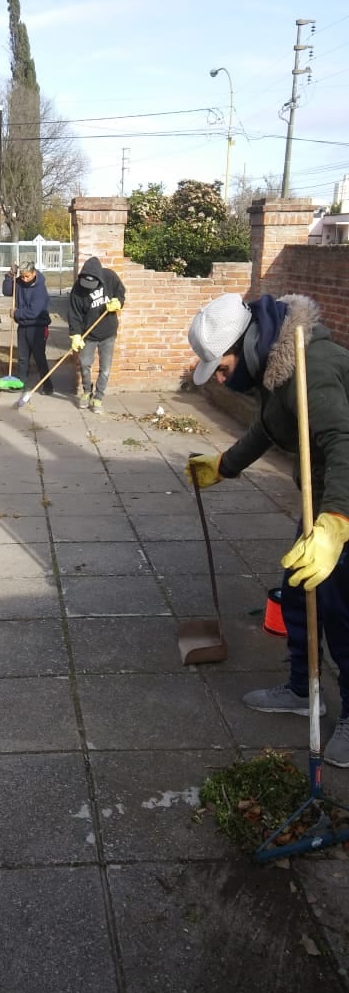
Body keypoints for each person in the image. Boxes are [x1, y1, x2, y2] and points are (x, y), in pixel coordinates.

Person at [186, 290, 349, 767]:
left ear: (249, 345)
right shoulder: (279, 372)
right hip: (322, 496)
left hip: (343, 496)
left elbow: (343, 443)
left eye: (221, 366)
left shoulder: (312, 367)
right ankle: (303, 691)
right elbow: (269, 426)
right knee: (298, 590)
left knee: (340, 608)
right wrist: (224, 465)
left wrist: (336, 523)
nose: (219, 379)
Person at [67, 256, 125, 413]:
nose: (89, 287)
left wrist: (118, 301)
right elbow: (74, 315)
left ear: (99, 277)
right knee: (85, 364)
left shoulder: (109, 277)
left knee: (105, 369)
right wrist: (76, 335)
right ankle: (87, 392)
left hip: (108, 333)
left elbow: (121, 290)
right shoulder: (77, 290)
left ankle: (98, 397)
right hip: (89, 335)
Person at [1, 261, 52, 393]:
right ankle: (21, 383)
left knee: (39, 357)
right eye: (22, 276)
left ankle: (47, 385)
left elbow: (34, 311)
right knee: (23, 357)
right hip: (23, 326)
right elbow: (7, 291)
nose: (24, 279)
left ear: (34, 273)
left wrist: (16, 313)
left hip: (38, 327)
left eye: (27, 276)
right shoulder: (19, 282)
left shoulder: (40, 289)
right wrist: (10, 275)